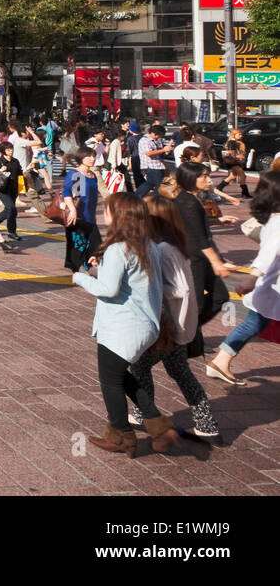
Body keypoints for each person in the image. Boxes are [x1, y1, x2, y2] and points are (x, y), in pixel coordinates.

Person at [72, 192, 162, 456]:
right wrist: (103, 265)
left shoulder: (118, 247)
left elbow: (108, 289)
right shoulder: (147, 244)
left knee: (110, 380)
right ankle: (158, 424)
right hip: (144, 323)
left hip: (122, 326)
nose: (104, 214)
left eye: (107, 210)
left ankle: (122, 436)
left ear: (118, 215)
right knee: (120, 376)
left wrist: (80, 278)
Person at [131, 194, 220, 441]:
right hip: (178, 325)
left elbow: (181, 289)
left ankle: (143, 415)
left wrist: (151, 286)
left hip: (170, 327)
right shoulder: (175, 245)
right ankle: (207, 424)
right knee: (180, 371)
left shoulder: (164, 249)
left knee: (138, 367)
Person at [206, 170, 280, 386]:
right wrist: (252, 277)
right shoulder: (278, 224)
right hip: (272, 286)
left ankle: (221, 360)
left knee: (253, 324)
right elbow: (268, 254)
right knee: (252, 324)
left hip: (270, 287)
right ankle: (220, 361)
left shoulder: (273, 220)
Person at [171, 161, 233, 363]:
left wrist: (217, 221)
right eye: (203, 176)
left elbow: (195, 225)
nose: (208, 180)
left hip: (200, 257)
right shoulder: (187, 201)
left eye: (208, 175)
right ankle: (184, 337)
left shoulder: (192, 199)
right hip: (193, 259)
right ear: (191, 179)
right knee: (196, 304)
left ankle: (189, 334)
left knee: (220, 296)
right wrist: (217, 262)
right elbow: (198, 236)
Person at [62, 149, 102, 273]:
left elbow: (84, 195)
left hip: (89, 216)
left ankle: (87, 267)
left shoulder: (92, 175)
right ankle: (76, 273)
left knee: (95, 245)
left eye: (94, 156)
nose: (92, 159)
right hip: (77, 217)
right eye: (89, 156)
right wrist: (73, 210)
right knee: (77, 247)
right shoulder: (76, 174)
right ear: (81, 158)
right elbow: (68, 193)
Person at [135, 124, 172, 197]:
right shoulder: (145, 140)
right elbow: (148, 153)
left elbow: (159, 153)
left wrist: (165, 152)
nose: (160, 137)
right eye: (160, 135)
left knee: (150, 183)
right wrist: (163, 150)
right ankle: (157, 200)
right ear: (154, 134)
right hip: (150, 166)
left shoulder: (157, 140)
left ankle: (136, 197)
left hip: (158, 165)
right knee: (159, 184)